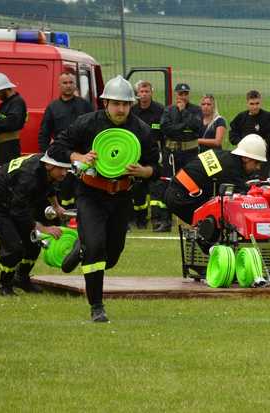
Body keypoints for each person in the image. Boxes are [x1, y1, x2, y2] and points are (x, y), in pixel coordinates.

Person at [48, 75, 159, 323]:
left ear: (131, 105)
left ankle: (81, 248)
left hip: (121, 197)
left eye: (126, 104)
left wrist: (145, 171)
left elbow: (156, 166)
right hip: (90, 195)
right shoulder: (86, 123)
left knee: (112, 255)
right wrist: (79, 156)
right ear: (105, 103)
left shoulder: (141, 129)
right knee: (96, 248)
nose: (121, 109)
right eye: (116, 104)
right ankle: (97, 306)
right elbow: (56, 148)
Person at [0, 153, 71, 296]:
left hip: (16, 200)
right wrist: (44, 228)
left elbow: (49, 186)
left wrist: (56, 206)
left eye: (67, 169)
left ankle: (21, 279)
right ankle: (4, 285)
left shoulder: (47, 167)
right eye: (61, 169)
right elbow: (18, 211)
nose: (65, 173)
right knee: (14, 247)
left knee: (33, 243)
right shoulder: (29, 177)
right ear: (48, 165)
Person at [165, 134, 267, 225]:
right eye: (257, 163)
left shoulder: (224, 157)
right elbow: (246, 200)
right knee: (217, 228)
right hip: (182, 197)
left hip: (177, 191)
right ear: (245, 158)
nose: (258, 168)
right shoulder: (231, 169)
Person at [38, 71, 94, 209]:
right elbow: (44, 133)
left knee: (83, 188)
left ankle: (82, 216)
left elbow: (94, 129)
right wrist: (46, 156)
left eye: (71, 82)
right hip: (61, 157)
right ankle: (65, 217)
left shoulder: (85, 106)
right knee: (64, 190)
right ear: (59, 85)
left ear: (75, 85)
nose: (68, 86)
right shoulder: (53, 108)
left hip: (83, 156)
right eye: (65, 83)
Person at [158, 83, 202, 232]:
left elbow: (197, 127)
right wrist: (183, 126)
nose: (183, 96)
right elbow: (165, 128)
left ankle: (189, 221)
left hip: (189, 153)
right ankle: (165, 221)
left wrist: (183, 113)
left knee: (189, 185)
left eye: (185, 93)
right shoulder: (169, 110)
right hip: (171, 153)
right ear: (176, 94)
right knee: (168, 185)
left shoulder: (195, 110)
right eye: (180, 94)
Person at [130, 80, 165, 230]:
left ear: (152, 92)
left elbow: (164, 133)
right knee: (137, 188)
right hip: (136, 153)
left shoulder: (160, 110)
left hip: (154, 153)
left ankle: (158, 219)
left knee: (156, 187)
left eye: (146, 92)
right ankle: (139, 220)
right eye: (141, 92)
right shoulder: (132, 111)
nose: (144, 95)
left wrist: (163, 153)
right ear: (137, 94)